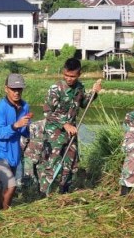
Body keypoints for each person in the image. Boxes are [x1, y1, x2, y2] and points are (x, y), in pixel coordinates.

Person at [40, 58, 102, 194]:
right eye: (66, 75)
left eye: (73, 76)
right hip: (55, 133)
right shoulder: (55, 89)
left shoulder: (80, 87)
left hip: (71, 133)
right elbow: (47, 112)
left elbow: (84, 104)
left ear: (79, 74)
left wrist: (94, 93)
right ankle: (43, 194)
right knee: (52, 163)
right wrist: (65, 124)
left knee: (71, 163)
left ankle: (64, 193)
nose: (69, 79)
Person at [0, 74, 31, 210]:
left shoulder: (25, 106)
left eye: (19, 89)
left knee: (4, 186)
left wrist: (28, 127)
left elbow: (24, 131)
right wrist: (15, 125)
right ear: (6, 89)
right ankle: (6, 213)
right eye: (13, 89)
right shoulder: (0, 108)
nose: (16, 92)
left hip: (14, 152)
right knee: (11, 185)